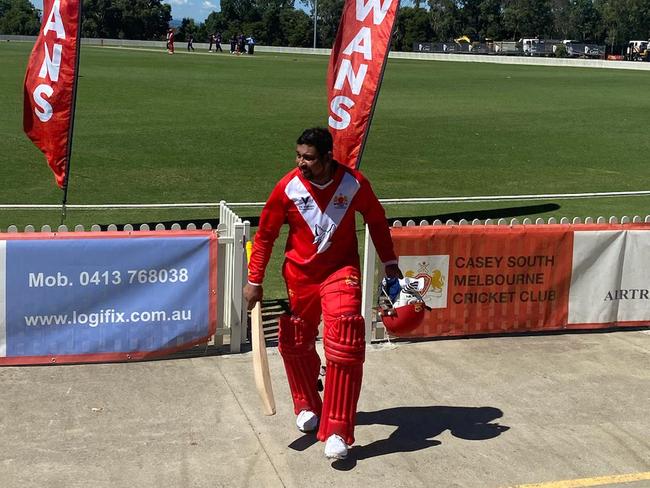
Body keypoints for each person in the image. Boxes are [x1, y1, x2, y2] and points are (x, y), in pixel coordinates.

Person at [243, 127, 402, 460]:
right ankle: (306, 403)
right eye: (298, 155)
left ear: (328, 157)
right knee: (296, 341)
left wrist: (389, 263)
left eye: (309, 158)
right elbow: (266, 235)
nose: (301, 163)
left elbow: (376, 218)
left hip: (340, 271)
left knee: (345, 337)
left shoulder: (353, 183)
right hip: (300, 275)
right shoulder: (287, 187)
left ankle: (339, 430)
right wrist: (254, 280)